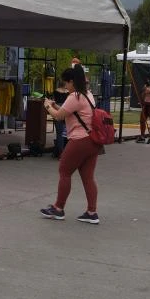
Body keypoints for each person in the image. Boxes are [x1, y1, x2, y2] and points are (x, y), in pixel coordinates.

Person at [40, 65, 101, 224]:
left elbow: (59, 117)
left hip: (80, 140)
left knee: (64, 171)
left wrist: (47, 106)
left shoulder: (74, 96)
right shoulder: (88, 94)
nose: (65, 87)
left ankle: (58, 209)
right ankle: (92, 212)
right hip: (93, 141)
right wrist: (57, 106)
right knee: (88, 177)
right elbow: (71, 113)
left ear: (72, 82)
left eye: (66, 83)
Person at [51, 79, 69, 158]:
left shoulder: (55, 91)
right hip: (65, 109)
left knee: (59, 133)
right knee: (66, 132)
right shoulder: (67, 92)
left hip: (57, 109)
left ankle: (60, 152)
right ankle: (65, 151)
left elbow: (53, 101)